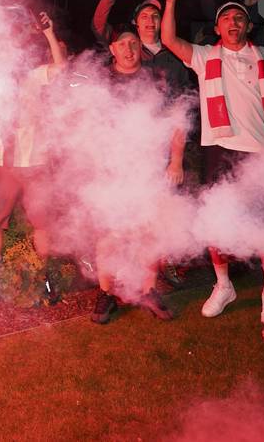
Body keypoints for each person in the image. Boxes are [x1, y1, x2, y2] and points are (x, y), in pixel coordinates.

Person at [161, 0, 264, 324]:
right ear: (216, 26)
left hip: (263, 152)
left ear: (248, 25)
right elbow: (169, 40)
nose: (233, 23)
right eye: (226, 19)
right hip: (221, 149)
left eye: (239, 18)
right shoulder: (205, 57)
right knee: (216, 222)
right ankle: (223, 285)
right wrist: (170, 1)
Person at [90, 29, 182, 323]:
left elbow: (177, 121)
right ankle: (106, 293)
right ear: (112, 49)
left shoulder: (157, 79)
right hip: (110, 168)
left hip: (151, 166)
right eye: (123, 44)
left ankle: (148, 289)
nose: (129, 49)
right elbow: (86, 125)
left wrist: (176, 161)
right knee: (109, 234)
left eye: (134, 43)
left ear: (140, 47)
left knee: (149, 231)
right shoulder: (101, 81)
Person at [0, 11, 68, 308]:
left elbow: (61, 67)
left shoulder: (34, 76)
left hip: (34, 162)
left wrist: (48, 33)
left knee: (41, 223)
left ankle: (44, 277)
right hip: (3, 163)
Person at [91, 0, 188, 91]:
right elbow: (98, 25)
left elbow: (187, 91)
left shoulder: (176, 52)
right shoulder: (127, 48)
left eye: (155, 16)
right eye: (144, 16)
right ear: (135, 22)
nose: (150, 21)